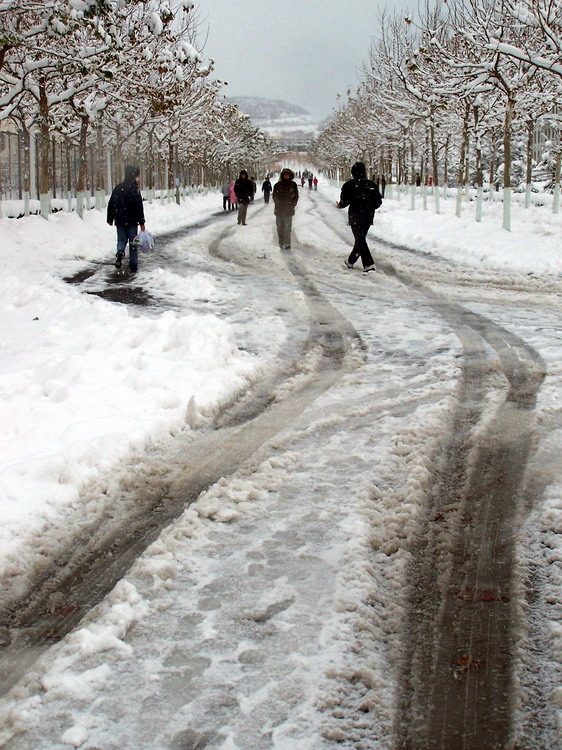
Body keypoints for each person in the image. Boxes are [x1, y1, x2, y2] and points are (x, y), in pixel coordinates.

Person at [336, 161, 382, 273]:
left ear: (353, 172)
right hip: (368, 216)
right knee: (360, 239)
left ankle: (368, 264)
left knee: (360, 239)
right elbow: (378, 202)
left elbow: (344, 201)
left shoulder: (349, 185)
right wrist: (369, 207)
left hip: (355, 215)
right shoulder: (371, 185)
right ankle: (350, 260)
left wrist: (340, 205)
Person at [107, 165, 145, 272]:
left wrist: (110, 218)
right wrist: (142, 222)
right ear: (133, 176)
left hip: (120, 220)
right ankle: (133, 265)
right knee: (133, 243)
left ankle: (120, 252)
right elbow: (139, 207)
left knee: (121, 240)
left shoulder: (118, 188)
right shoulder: (134, 189)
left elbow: (111, 203)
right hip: (132, 221)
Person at [272, 168, 299, 249]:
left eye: (288, 175)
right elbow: (274, 196)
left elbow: (296, 196)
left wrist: (292, 205)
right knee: (280, 227)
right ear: (282, 175)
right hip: (279, 210)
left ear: (290, 175)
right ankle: (281, 241)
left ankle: (287, 243)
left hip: (289, 210)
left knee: (287, 228)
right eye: (285, 175)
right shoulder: (277, 185)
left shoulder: (293, 185)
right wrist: (279, 203)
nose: (286, 176)